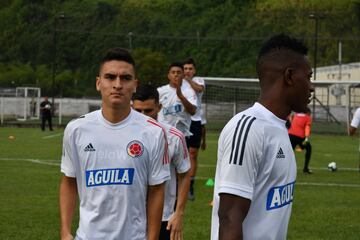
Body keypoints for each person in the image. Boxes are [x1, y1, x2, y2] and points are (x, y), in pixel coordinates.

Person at [59, 48, 170, 240]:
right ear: (98, 83)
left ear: (135, 85)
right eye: (110, 77)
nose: (117, 84)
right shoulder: (76, 129)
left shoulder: (153, 132)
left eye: (125, 78)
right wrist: (65, 230)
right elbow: (69, 181)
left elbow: (156, 190)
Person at [211, 34, 314, 240]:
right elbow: (230, 218)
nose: (311, 87)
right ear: (290, 76)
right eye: (308, 77)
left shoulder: (279, 127)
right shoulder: (249, 129)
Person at [132, 84, 191, 240]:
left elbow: (184, 175)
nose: (143, 116)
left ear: (159, 107)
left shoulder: (174, 137)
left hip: (164, 217)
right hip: (129, 218)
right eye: (138, 111)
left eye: (148, 111)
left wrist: (178, 213)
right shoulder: (123, 136)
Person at [183, 58, 205, 200]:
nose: (187, 71)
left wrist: (188, 80)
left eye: (190, 68)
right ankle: (179, 184)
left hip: (195, 121)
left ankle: (190, 185)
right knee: (180, 154)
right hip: (182, 122)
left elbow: (199, 89)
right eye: (185, 69)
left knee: (192, 154)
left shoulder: (199, 80)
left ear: (194, 70)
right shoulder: (179, 83)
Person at [157, 62, 197, 137]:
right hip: (164, 134)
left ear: (183, 75)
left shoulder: (189, 91)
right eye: (173, 72)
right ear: (168, 76)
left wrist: (181, 96)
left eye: (179, 72)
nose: (176, 75)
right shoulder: (160, 91)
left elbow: (193, 111)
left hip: (182, 135)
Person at [288, 108, 313, 174]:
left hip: (290, 135)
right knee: (309, 149)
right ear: (307, 113)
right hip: (300, 137)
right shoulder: (307, 118)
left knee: (288, 153)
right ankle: (305, 169)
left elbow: (290, 121)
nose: (310, 115)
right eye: (310, 114)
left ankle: (285, 169)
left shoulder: (295, 115)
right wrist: (307, 137)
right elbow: (307, 128)